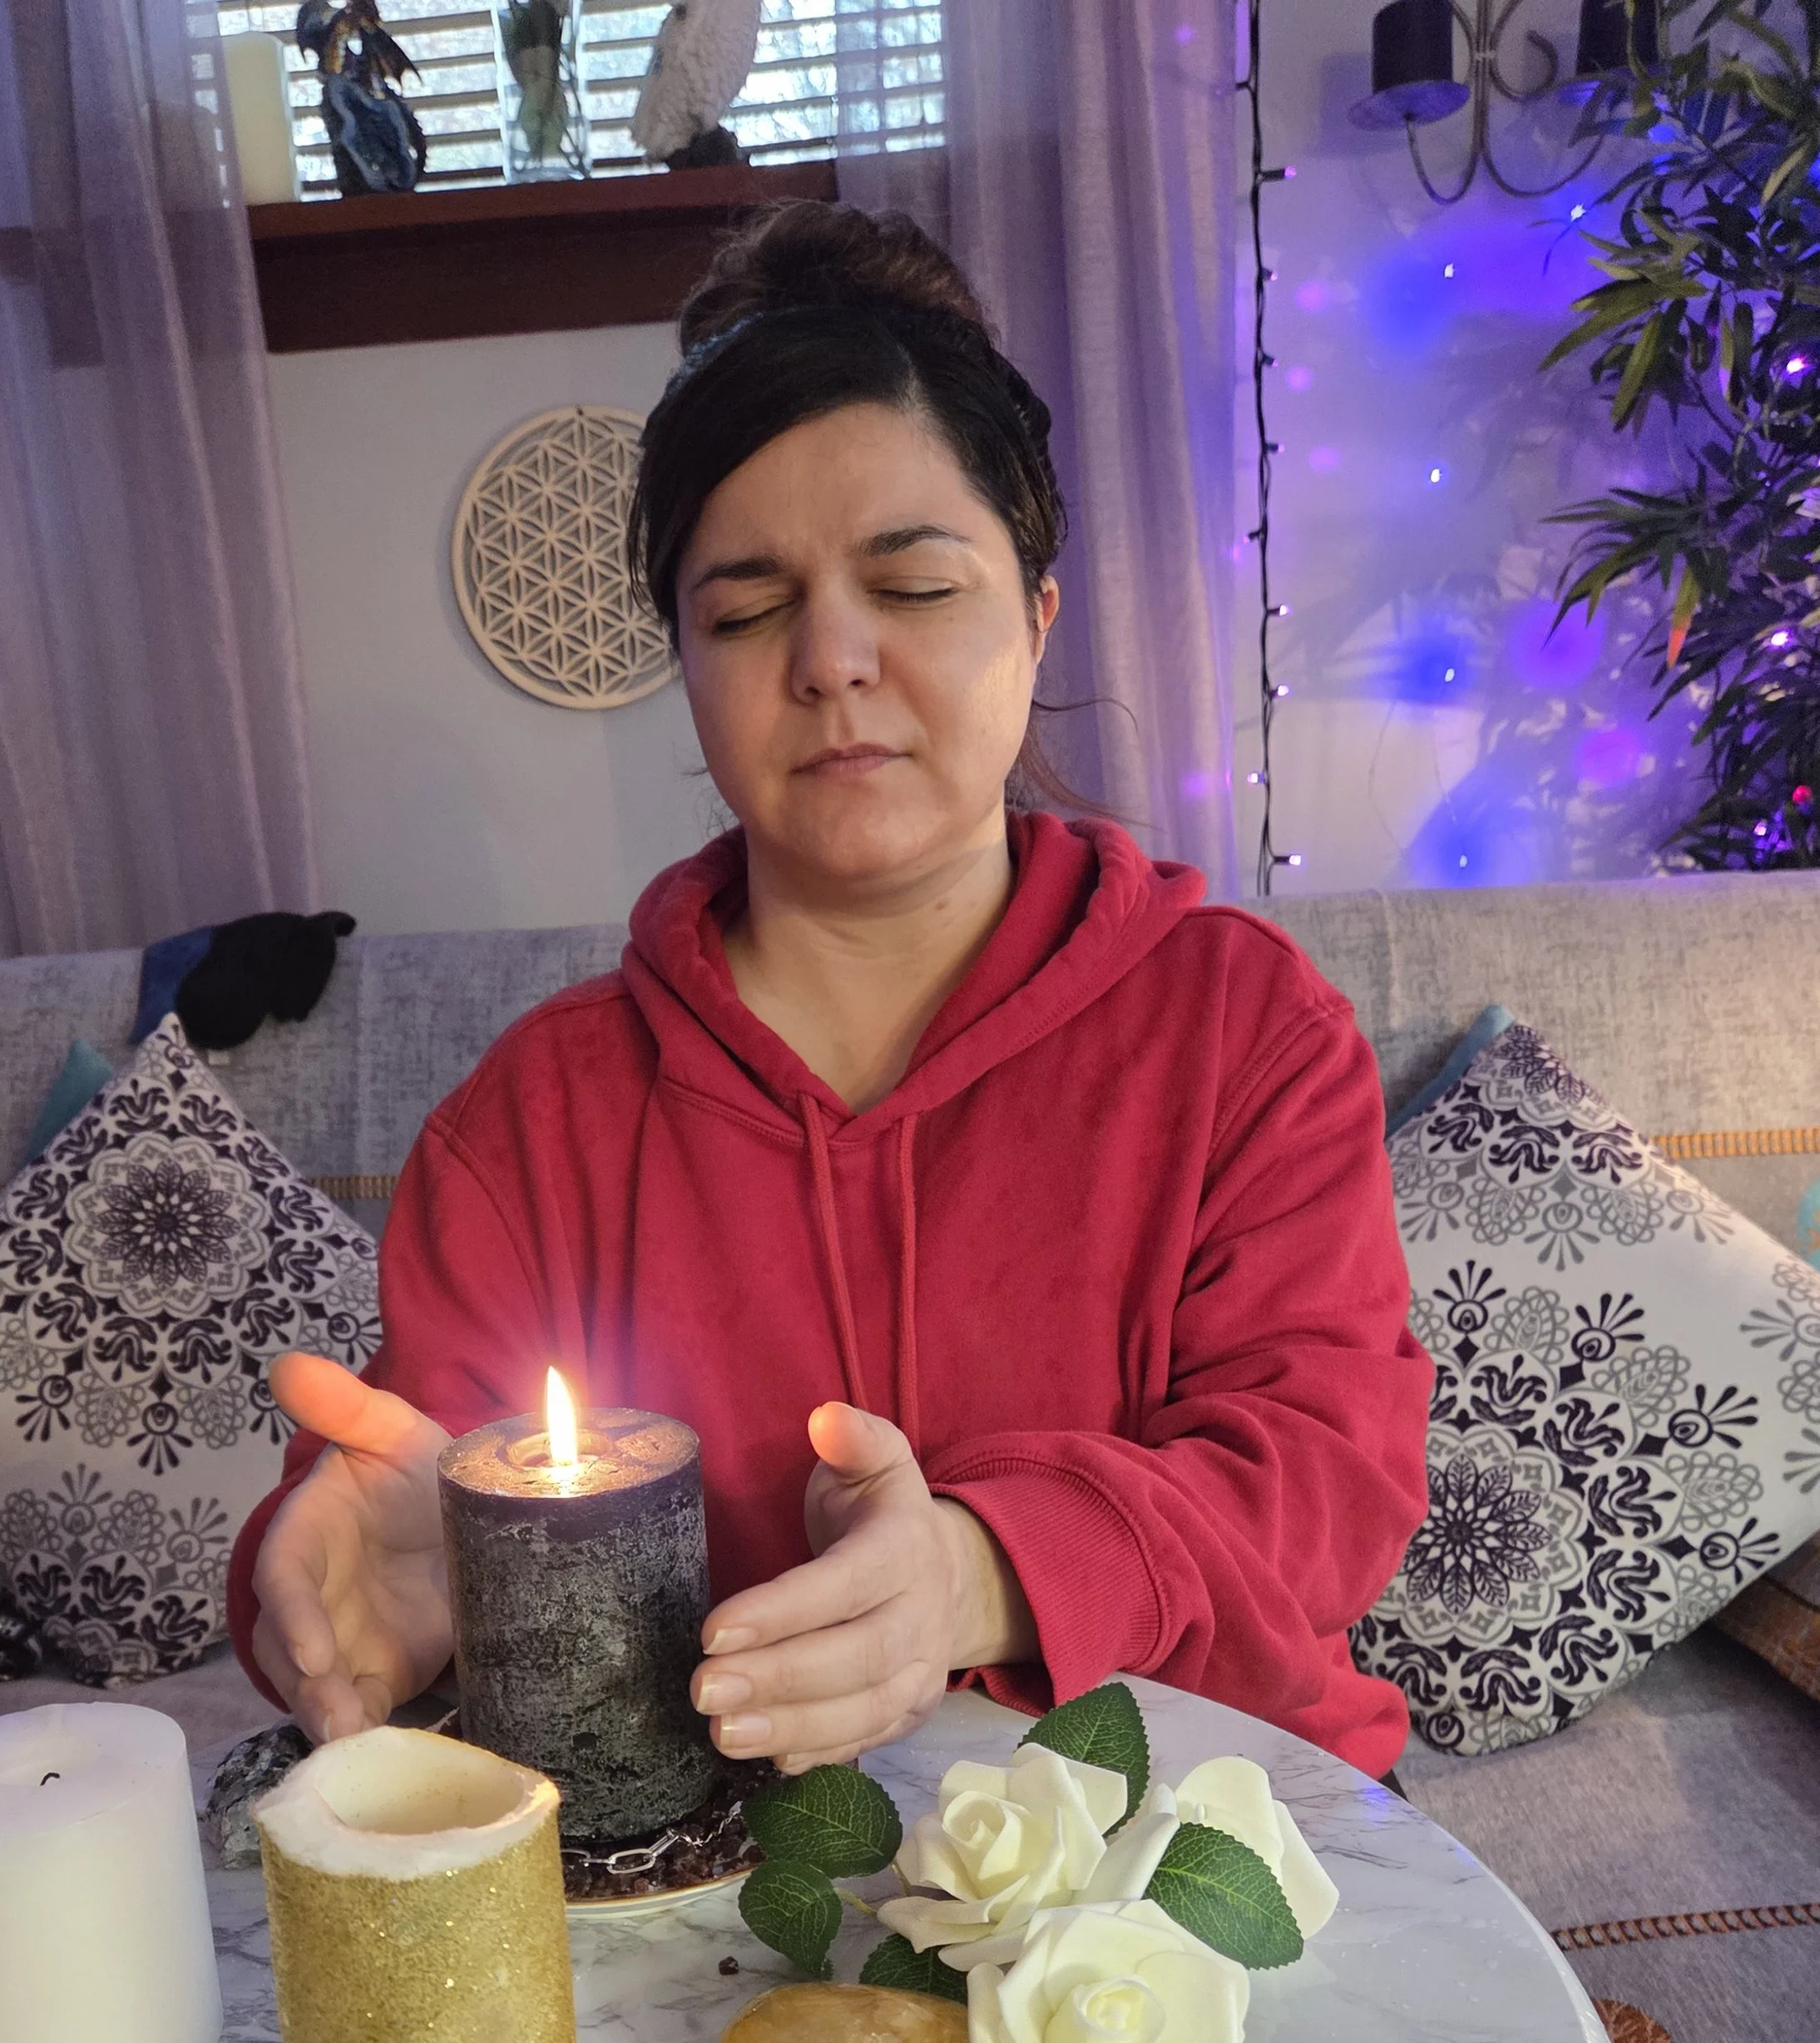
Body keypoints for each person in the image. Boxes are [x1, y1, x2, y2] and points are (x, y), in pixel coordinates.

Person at [229, 200, 1432, 1793]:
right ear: (687, 661)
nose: (833, 657)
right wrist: (399, 1583)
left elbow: (1328, 1477)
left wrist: (982, 1568)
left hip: (1208, 1845)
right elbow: (418, 1481)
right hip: (746, 1890)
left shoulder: (1242, 1031)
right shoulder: (537, 1120)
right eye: (745, 609)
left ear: (1036, 609)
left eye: (914, 585)